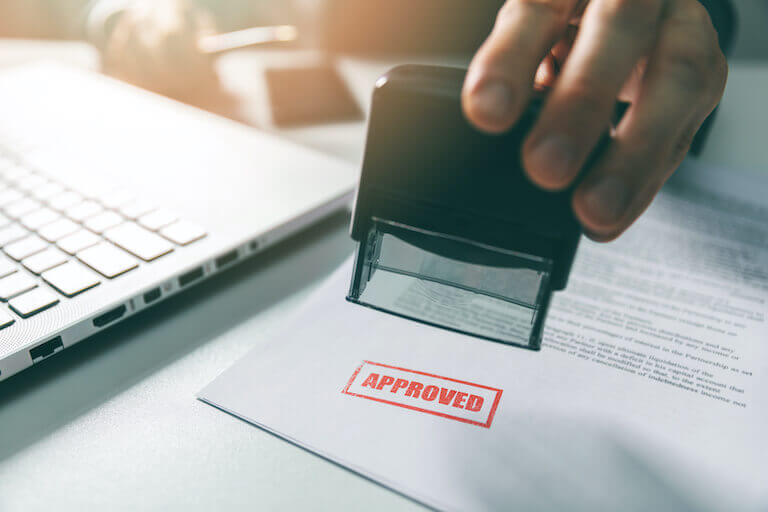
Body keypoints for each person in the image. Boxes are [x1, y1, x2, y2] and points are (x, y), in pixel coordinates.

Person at [0, 1, 732, 242]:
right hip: (223, 152)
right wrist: (123, 10)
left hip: (468, 151)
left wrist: (676, 25)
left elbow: (694, 18)